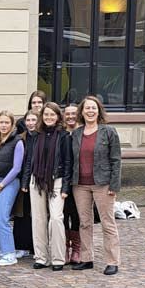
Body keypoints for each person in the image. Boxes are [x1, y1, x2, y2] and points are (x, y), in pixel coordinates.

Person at [70, 95, 121, 276]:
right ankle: (86, 258)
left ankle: (112, 261)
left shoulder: (109, 131)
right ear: (82, 112)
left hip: (103, 183)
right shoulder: (76, 134)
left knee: (108, 223)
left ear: (98, 111)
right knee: (85, 223)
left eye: (93, 108)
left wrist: (114, 185)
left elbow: (116, 160)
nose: (90, 111)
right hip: (80, 185)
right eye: (87, 108)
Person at [21, 101, 71, 271]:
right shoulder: (35, 135)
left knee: (56, 219)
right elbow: (29, 160)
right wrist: (25, 181)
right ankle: (41, 257)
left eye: (52, 114)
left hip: (56, 180)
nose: (49, 117)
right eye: (46, 114)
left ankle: (58, 258)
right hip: (36, 180)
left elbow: (67, 162)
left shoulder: (64, 136)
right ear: (42, 117)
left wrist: (66, 187)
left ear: (58, 117)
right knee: (38, 219)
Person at [0, 110, 24, 266]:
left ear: (12, 124)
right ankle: (1, 249)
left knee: (2, 217)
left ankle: (10, 254)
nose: (4, 125)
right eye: (1, 122)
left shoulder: (18, 141)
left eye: (7, 122)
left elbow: (16, 168)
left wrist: (1, 186)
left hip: (9, 182)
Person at [13, 109, 39, 259]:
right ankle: (21, 245)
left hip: (37, 180)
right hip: (22, 179)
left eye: (33, 120)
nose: (30, 123)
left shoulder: (41, 137)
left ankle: (35, 247)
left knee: (36, 214)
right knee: (21, 214)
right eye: (28, 120)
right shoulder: (21, 138)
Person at [62, 104, 82, 265]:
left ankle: (76, 248)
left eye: (73, 113)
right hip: (62, 180)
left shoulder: (82, 133)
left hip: (79, 180)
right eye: (67, 114)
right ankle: (65, 247)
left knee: (76, 215)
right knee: (63, 214)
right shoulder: (61, 133)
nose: (70, 116)